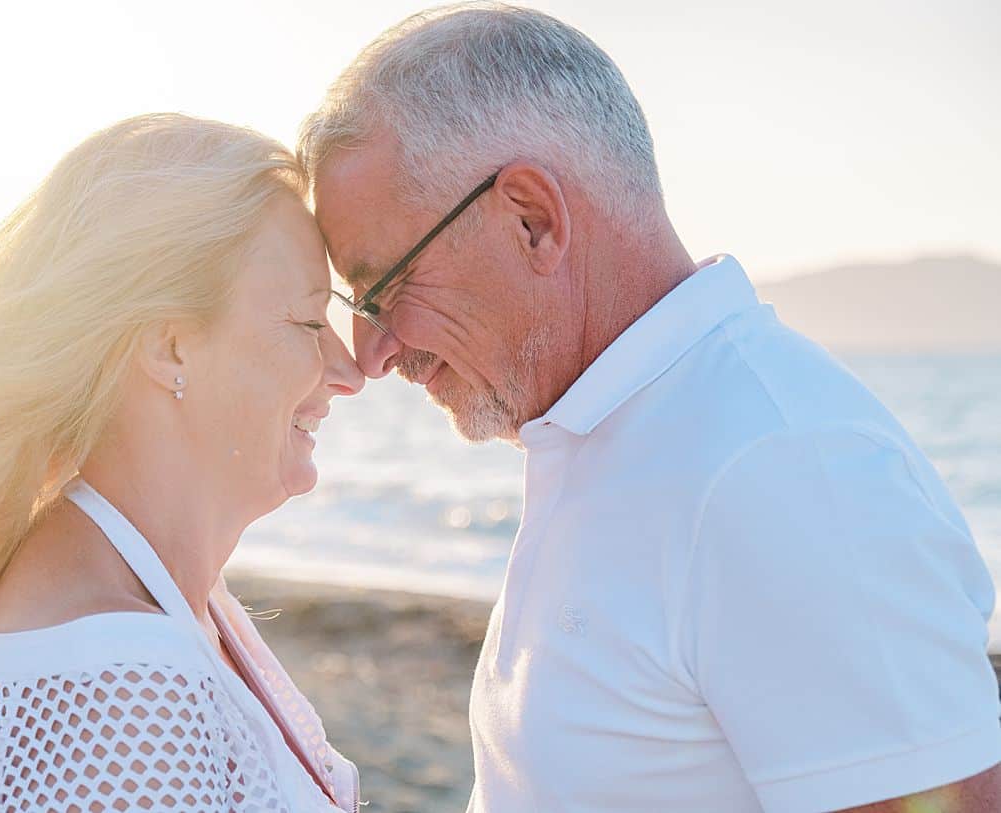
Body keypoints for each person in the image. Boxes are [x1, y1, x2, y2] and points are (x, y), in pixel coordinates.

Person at [299, 3, 1001, 811]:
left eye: (382, 287)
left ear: (533, 220)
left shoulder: (779, 469)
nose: (371, 351)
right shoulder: (613, 431)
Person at [0, 113, 363, 812]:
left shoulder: (160, 598)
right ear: (171, 346)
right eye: (311, 321)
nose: (349, 369)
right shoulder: (115, 694)